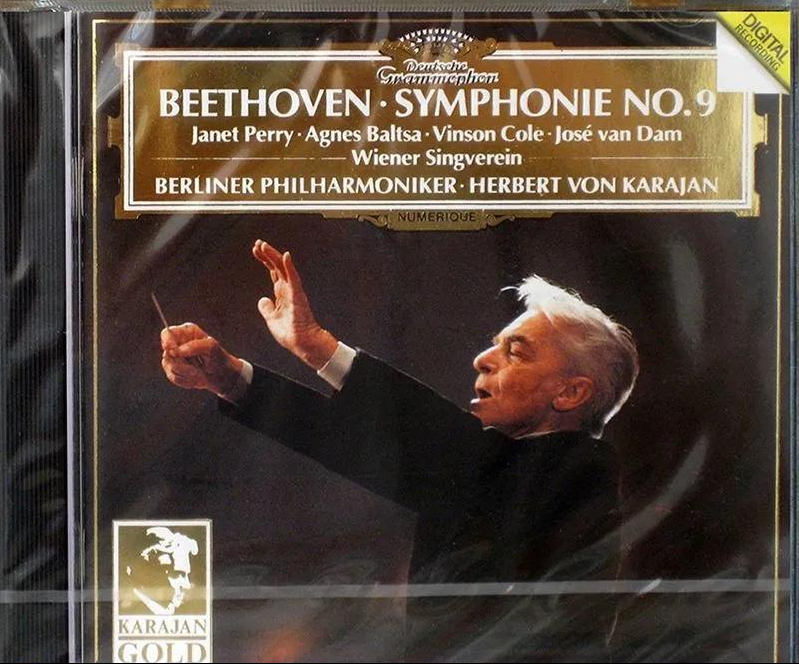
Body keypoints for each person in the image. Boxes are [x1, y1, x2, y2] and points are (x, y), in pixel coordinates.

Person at [159, 239, 639, 661]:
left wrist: (317, 347)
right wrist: (232, 380)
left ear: (571, 393)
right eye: (495, 345)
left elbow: (455, 448)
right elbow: (347, 441)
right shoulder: (475, 471)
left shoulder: (581, 467)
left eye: (516, 351)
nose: (482, 359)